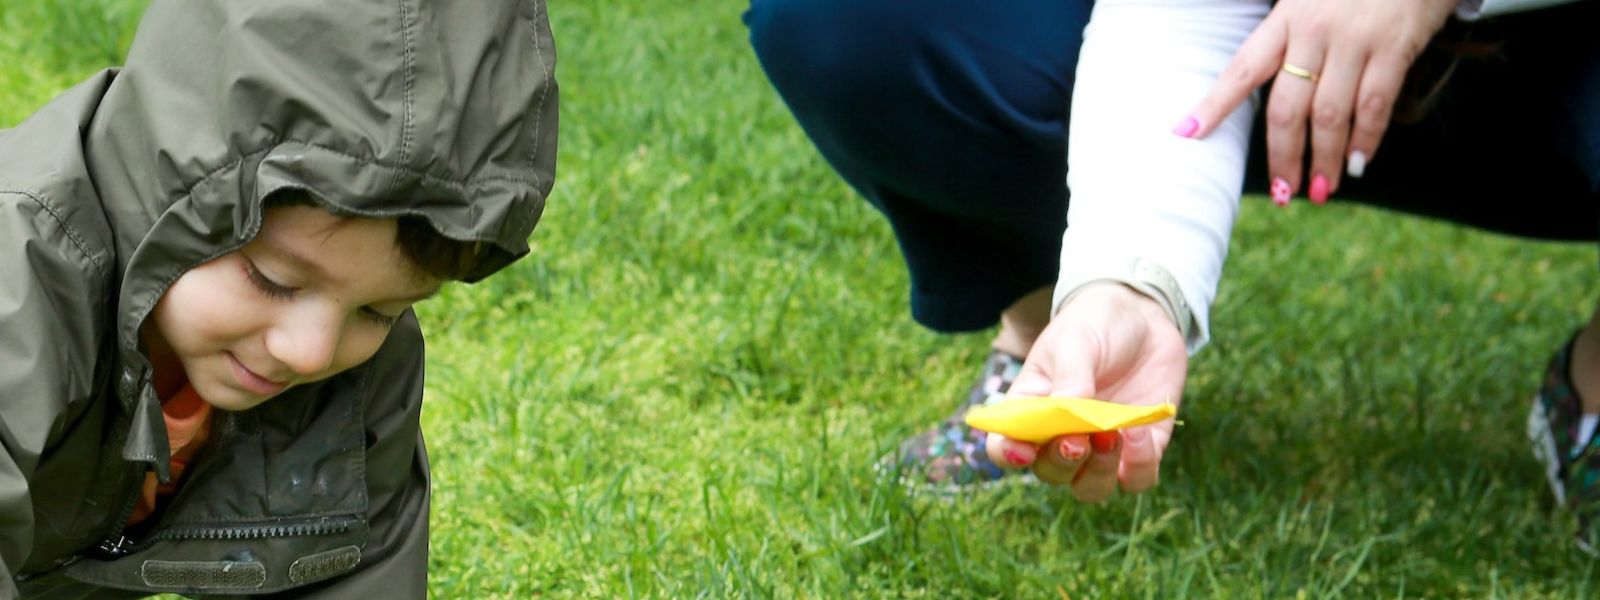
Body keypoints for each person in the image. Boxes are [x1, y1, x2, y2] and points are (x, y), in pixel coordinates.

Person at [745, 0, 1600, 543]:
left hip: (1559, 52)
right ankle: (1052, 340)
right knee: (856, 18)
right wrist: (1129, 281)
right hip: (1280, 40)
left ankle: (1590, 392)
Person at [0, 0, 558, 595]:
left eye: (378, 311)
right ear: (167, 188)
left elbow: (362, 568)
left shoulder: (356, 372)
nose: (310, 352)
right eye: (274, 282)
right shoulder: (19, 279)